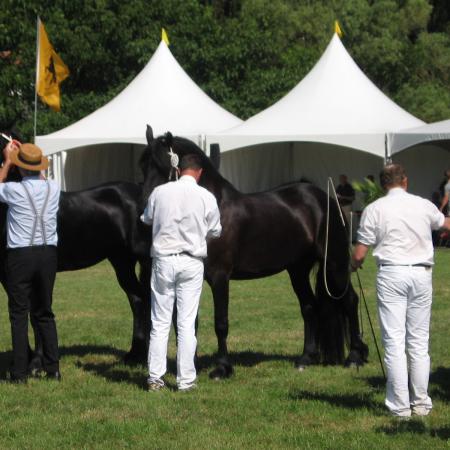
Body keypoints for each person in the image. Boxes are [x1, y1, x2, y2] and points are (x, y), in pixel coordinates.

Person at [351, 164, 450, 418]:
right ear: (405, 181)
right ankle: (421, 403)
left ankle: (400, 406)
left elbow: (360, 252)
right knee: (418, 342)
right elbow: (444, 224)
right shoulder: (423, 204)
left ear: (384, 184)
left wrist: (353, 265)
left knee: (394, 342)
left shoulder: (374, 209)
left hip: (392, 273)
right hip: (421, 273)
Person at [141, 153, 221, 391]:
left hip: (164, 260)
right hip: (191, 260)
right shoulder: (206, 196)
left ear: (178, 170)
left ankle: (156, 377)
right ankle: (185, 380)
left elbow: (146, 218)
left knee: (160, 321)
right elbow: (215, 230)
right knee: (186, 323)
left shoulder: (159, 192)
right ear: (199, 172)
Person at [0, 141, 61, 383]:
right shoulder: (53, 188)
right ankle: (53, 367)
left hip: (20, 255)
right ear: (39, 167)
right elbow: (41, 177)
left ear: (20, 168)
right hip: (48, 254)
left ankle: (20, 372)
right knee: (45, 311)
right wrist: (32, 158)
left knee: (19, 313)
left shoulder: (13, 190)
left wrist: (7, 161)